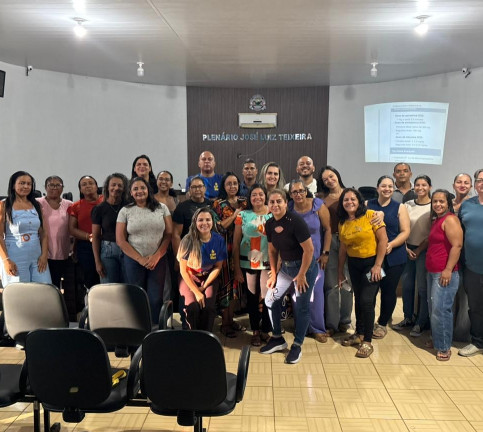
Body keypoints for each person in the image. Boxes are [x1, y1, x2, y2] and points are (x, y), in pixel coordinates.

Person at [260, 189, 318, 364]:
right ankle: (277, 338)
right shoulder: (269, 223)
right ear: (268, 205)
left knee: (301, 307)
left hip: (305, 268)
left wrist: (302, 275)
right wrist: (273, 274)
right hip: (286, 268)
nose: (275, 205)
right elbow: (272, 251)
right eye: (272, 202)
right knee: (270, 300)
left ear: (286, 203)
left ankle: (297, 345)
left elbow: (309, 250)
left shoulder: (296, 221)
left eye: (279, 201)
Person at [338, 188, 388, 358]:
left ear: (359, 201)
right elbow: (343, 249)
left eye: (353, 199)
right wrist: (340, 272)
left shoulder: (371, 215)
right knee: (358, 299)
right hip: (354, 265)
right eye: (346, 200)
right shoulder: (343, 222)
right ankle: (359, 334)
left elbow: (383, 240)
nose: (349, 202)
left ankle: (367, 341)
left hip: (372, 264)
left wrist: (378, 265)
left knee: (367, 300)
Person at [116, 177, 172, 323]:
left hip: (157, 259)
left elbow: (168, 234)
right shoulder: (125, 211)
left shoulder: (162, 208)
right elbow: (120, 240)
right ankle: (138, 329)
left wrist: (157, 256)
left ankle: (155, 329)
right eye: (135, 189)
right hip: (133, 260)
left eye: (142, 188)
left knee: (155, 298)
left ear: (148, 190)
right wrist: (140, 259)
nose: (139, 191)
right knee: (137, 297)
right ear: (130, 193)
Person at [288, 180, 331, 343]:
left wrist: (326, 253)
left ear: (306, 191)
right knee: (297, 294)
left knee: (316, 293)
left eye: (301, 191)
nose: (298, 194)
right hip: (295, 258)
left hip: (316, 257)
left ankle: (317, 328)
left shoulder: (317, 205)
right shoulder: (289, 208)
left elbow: (328, 229)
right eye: (294, 192)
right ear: (291, 194)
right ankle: (302, 327)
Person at [367, 176, 410, 338]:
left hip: (394, 257)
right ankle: (367, 321)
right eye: (383, 186)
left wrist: (391, 244)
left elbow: (405, 231)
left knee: (388, 291)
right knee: (370, 290)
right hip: (372, 257)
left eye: (390, 186)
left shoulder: (400, 207)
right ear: (377, 188)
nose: (387, 189)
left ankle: (382, 323)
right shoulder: (367, 204)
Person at [425, 189, 463, 361]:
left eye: (441, 201)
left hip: (444, 273)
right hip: (433, 271)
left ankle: (444, 347)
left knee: (441, 310)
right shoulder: (437, 219)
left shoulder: (450, 220)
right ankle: (438, 338)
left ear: (448, 203)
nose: (438, 204)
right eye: (435, 201)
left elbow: (457, 246)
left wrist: (448, 269)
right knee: (434, 309)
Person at [233, 184, 272, 346]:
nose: (258, 197)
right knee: (252, 298)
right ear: (249, 198)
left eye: (261, 194)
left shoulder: (273, 213)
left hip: (269, 262)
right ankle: (255, 330)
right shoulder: (243, 215)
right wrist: (236, 268)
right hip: (248, 262)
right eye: (254, 194)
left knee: (268, 297)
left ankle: (266, 330)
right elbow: (236, 243)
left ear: (266, 196)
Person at [393, 175, 432, 336]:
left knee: (422, 288)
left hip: (424, 250)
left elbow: (432, 233)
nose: (420, 188)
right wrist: (406, 247)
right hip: (407, 249)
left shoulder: (434, 205)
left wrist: (419, 250)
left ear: (430, 187)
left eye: (424, 185)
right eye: (417, 185)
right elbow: (401, 228)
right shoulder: (407, 205)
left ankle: (421, 322)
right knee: (407, 286)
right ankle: (408, 318)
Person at [177, 207, 227, 331]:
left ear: (212, 222)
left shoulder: (219, 240)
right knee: (193, 307)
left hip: (208, 276)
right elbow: (183, 271)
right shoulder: (187, 241)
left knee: (208, 307)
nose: (204, 223)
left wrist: (204, 287)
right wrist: (197, 292)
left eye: (208, 220)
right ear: (195, 222)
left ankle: (205, 336)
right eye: (200, 220)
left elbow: (218, 267)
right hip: (190, 277)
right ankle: (192, 335)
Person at [211, 172, 248, 337]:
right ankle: (225, 324)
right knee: (226, 286)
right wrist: (235, 215)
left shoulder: (245, 201)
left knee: (236, 287)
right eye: (229, 184)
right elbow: (218, 227)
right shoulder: (218, 204)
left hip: (243, 249)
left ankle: (231, 319)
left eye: (235, 183)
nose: (232, 186)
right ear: (223, 186)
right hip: (225, 250)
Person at [317, 165, 352, 335]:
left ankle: (345, 321)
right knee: (331, 284)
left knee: (347, 282)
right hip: (330, 241)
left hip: (349, 240)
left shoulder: (350, 194)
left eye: (331, 176)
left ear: (337, 175)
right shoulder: (322, 199)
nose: (329, 180)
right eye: (325, 179)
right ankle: (331, 323)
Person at [0, 171, 52, 286]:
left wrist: (44, 255)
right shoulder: (4, 205)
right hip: (14, 255)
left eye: (29, 184)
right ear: (13, 185)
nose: (26, 186)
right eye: (22, 183)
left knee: (44, 288)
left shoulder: (37, 205)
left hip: (36, 256)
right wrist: (6, 260)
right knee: (19, 291)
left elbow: (43, 233)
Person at [458, 169, 483, 357]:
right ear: (475, 184)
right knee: (475, 306)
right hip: (472, 266)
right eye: (480, 180)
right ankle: (477, 341)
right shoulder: (467, 205)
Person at [36, 175, 72, 289]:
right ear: (45, 187)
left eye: (58, 185)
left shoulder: (69, 204)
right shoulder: (37, 203)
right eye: (51, 185)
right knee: (44, 285)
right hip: (42, 253)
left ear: (63, 188)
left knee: (57, 284)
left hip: (63, 251)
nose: (54, 188)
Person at [91, 173, 128, 284]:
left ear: (124, 188)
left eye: (120, 185)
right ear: (107, 187)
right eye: (113, 185)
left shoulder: (129, 206)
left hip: (128, 249)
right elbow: (96, 236)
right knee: (109, 288)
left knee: (128, 287)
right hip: (108, 251)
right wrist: (97, 261)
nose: (116, 188)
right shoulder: (99, 209)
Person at [68, 175, 103, 290]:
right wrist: (89, 237)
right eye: (84, 185)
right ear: (80, 190)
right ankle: (91, 299)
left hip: (106, 243)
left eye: (91, 183)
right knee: (91, 278)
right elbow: (72, 229)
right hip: (86, 246)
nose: (88, 186)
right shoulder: (76, 206)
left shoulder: (106, 201)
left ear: (96, 186)